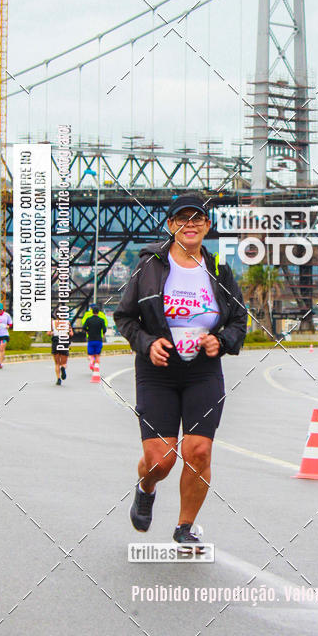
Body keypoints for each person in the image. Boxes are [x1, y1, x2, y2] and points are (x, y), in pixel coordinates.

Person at [114, 192, 247, 551]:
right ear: (171, 225)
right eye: (182, 219)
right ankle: (146, 487)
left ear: (207, 225)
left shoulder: (219, 271)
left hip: (203, 371)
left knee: (198, 451)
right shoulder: (150, 266)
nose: (190, 225)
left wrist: (222, 341)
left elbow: (239, 320)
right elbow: (124, 317)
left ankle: (184, 527)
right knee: (161, 460)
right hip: (157, 370)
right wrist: (146, 343)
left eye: (197, 218)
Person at [48, 313, 74, 385]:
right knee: (64, 363)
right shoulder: (67, 323)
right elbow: (71, 334)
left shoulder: (52, 323)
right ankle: (63, 368)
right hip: (64, 342)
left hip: (55, 342)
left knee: (57, 363)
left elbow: (48, 333)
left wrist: (53, 333)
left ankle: (58, 379)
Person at [82, 305, 107, 370]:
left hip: (90, 339)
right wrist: (102, 333)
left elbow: (84, 327)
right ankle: (96, 366)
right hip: (98, 339)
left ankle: (91, 362)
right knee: (97, 354)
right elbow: (104, 329)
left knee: (91, 354)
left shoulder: (88, 319)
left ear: (92, 312)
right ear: (98, 312)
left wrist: (88, 331)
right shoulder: (101, 320)